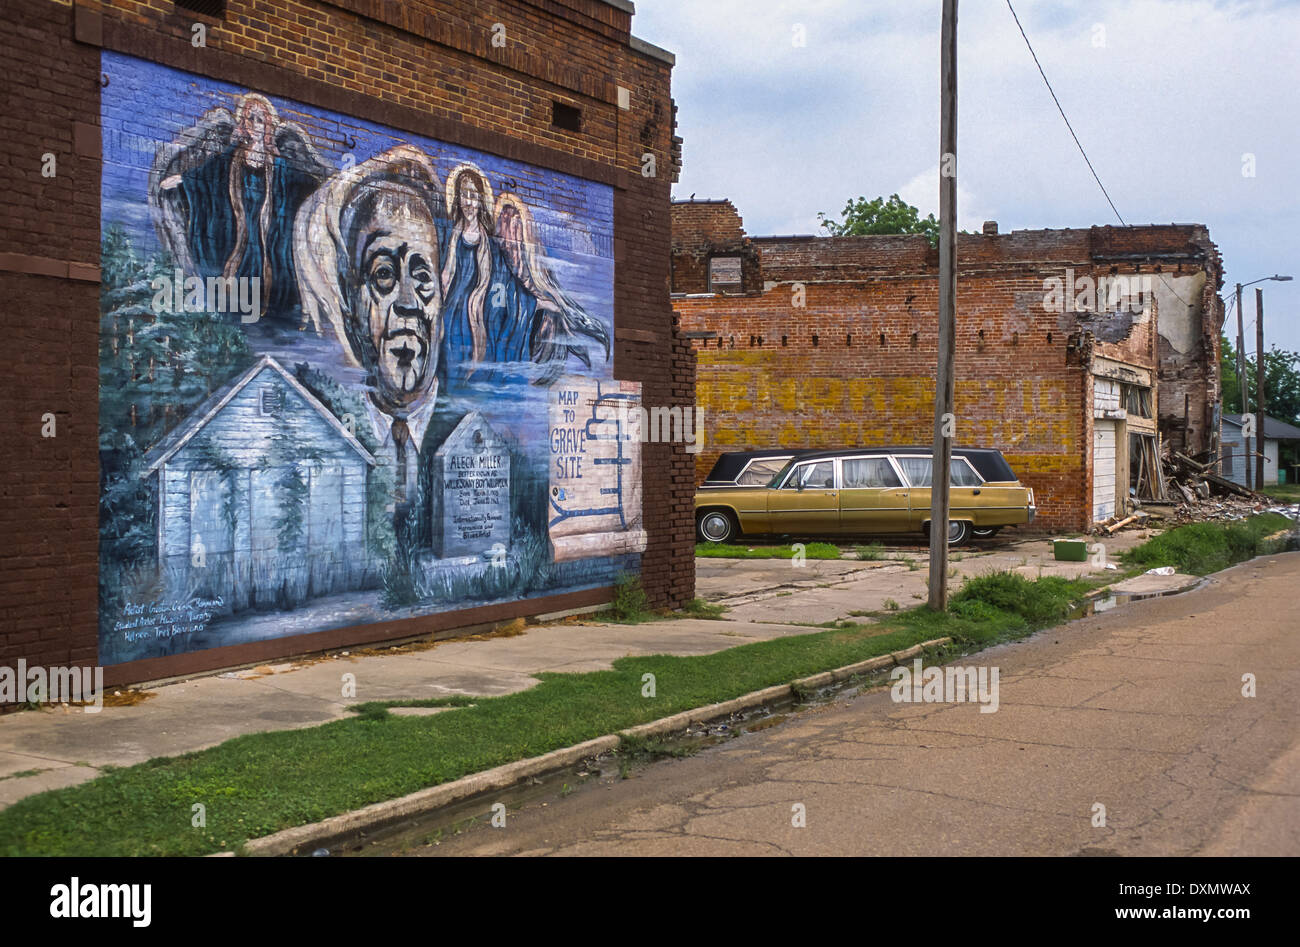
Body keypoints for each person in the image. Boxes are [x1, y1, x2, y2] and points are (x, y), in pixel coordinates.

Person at [151, 93, 329, 323]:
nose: (255, 125)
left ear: (268, 126)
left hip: (268, 236)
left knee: (270, 272)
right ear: (244, 123)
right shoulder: (231, 159)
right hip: (239, 233)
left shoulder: (280, 166)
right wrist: (183, 180)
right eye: (251, 118)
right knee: (237, 270)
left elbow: (300, 184)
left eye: (260, 120)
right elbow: (209, 175)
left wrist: (324, 189)